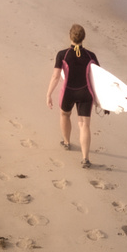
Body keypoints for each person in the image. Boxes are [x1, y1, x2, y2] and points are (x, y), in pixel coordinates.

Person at [44, 24, 99, 167]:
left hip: (68, 92)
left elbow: (56, 76)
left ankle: (67, 142)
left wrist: (49, 94)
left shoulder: (63, 54)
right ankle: (85, 158)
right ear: (83, 38)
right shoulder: (90, 56)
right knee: (84, 125)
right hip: (86, 93)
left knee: (64, 115)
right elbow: (98, 79)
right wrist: (101, 101)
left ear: (70, 36)